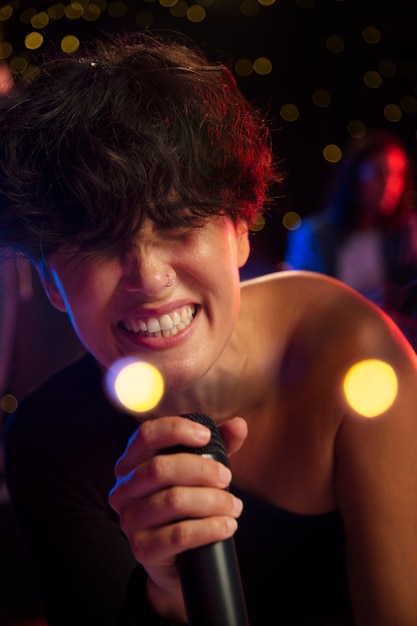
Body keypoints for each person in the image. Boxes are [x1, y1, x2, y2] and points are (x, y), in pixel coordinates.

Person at [1, 32, 417, 626]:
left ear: (241, 230)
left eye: (176, 222)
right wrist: (166, 599)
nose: (148, 277)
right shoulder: (48, 440)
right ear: (50, 284)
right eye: (98, 242)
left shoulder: (352, 354)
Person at [283, 130, 417, 307]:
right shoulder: (313, 235)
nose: (390, 185)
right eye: (378, 173)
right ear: (354, 177)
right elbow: (300, 303)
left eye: (397, 175)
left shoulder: (407, 232)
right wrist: (361, 305)